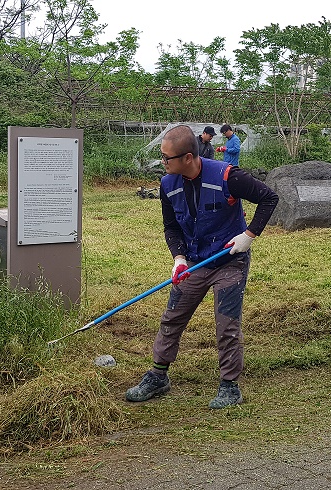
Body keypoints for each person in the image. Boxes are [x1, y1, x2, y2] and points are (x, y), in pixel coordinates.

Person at [126, 124, 278, 409]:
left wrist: (249, 235)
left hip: (229, 261)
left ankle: (229, 385)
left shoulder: (227, 176)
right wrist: (179, 258)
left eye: (166, 157)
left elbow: (269, 198)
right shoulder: (167, 184)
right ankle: (158, 376)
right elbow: (171, 226)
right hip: (194, 262)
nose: (162, 162)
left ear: (187, 157)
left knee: (226, 324)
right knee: (172, 317)